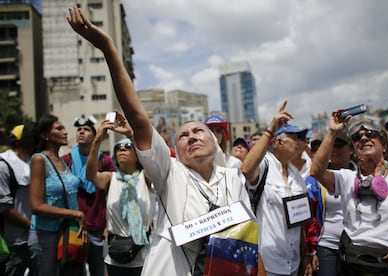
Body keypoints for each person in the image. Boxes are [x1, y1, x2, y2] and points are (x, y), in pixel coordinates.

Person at [66, 7, 257, 276]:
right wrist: (107, 47)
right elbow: (140, 119)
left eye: (198, 131)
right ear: (174, 150)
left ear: (215, 142)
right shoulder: (168, 172)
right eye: (183, 135)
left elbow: (246, 237)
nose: (191, 136)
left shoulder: (232, 178)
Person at [310, 112, 388, 275]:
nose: (364, 138)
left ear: (384, 144)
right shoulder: (347, 178)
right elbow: (316, 171)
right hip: (355, 267)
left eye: (371, 133)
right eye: (357, 137)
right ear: (353, 150)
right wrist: (332, 132)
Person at [242, 101, 309, 276]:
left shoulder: (297, 176)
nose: (299, 143)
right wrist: (271, 128)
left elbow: (299, 220)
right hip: (268, 263)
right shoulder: (265, 165)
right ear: (278, 142)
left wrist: (306, 253)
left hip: (293, 263)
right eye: (294, 138)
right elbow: (247, 169)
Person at [85, 113, 153, 276]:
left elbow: (154, 161)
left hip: (144, 254)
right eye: (118, 148)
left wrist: (131, 134)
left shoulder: (146, 176)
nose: (122, 149)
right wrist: (98, 139)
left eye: (128, 147)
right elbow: (90, 175)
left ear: (137, 155)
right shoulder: (111, 178)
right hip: (116, 252)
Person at [28, 114, 87, 276]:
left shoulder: (62, 162)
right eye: (59, 129)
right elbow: (36, 206)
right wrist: (74, 213)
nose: (65, 132)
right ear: (45, 135)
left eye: (64, 128)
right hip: (45, 236)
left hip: (67, 233)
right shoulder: (39, 160)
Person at [62, 115, 116, 276]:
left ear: (95, 136)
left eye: (86, 130)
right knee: (74, 271)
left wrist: (108, 226)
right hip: (74, 225)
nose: (81, 132)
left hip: (98, 225)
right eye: (79, 129)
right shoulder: (66, 160)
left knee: (97, 270)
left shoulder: (104, 161)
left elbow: (112, 194)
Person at [304, 130, 356, 276]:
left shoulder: (362, 174)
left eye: (339, 145)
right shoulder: (317, 179)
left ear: (351, 149)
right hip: (327, 246)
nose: (334, 149)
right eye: (332, 145)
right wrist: (311, 251)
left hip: (357, 247)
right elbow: (310, 218)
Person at [0, 122, 37, 276]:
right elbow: (4, 208)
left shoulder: (32, 163)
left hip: (32, 241)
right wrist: (31, 226)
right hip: (13, 243)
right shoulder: (4, 164)